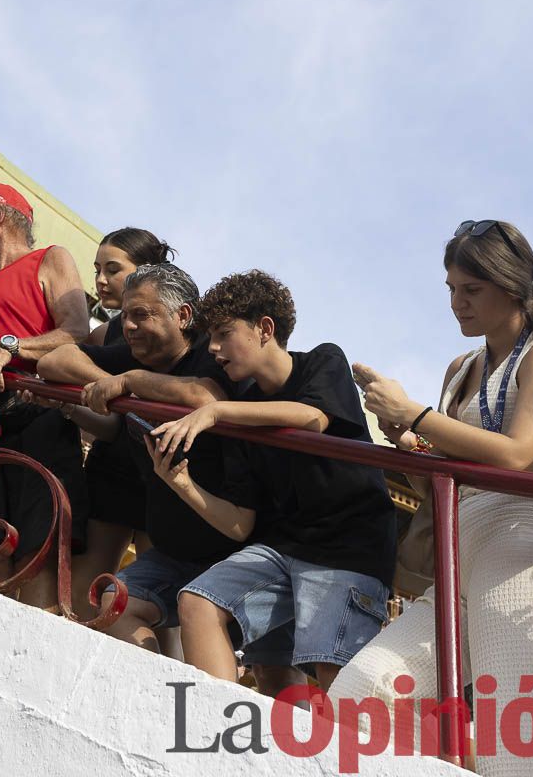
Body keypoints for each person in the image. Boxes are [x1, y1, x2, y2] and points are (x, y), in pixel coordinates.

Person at [328, 220, 533, 776]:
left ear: (513, 287)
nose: (456, 303)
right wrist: (411, 442)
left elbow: (520, 453)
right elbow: (453, 467)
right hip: (461, 552)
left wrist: (413, 415)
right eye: (451, 288)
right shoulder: (460, 369)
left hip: (526, 551)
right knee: (360, 695)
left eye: (471, 290)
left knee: (521, 744)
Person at [150, 269, 397, 694]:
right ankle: (213, 735)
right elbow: (241, 524)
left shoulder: (323, 360)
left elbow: (312, 418)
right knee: (197, 602)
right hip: (283, 549)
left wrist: (215, 412)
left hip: (348, 550)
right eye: (210, 336)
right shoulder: (243, 409)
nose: (213, 348)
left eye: (224, 333)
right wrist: (180, 482)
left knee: (333, 673)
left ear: (265, 329)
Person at [37, 263, 254, 638]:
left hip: (233, 551)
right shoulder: (135, 354)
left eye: (141, 315)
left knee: (260, 664)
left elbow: (206, 395)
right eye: (124, 315)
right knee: (114, 606)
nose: (128, 326)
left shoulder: (210, 349)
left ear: (184, 316)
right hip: (173, 551)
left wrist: (132, 382)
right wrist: (114, 383)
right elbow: (52, 360)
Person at [0, 182, 90, 611]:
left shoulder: (50, 258)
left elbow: (76, 330)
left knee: (36, 554)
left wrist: (11, 347)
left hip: (39, 416)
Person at [76, 229, 176, 608]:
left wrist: (131, 386)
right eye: (97, 269)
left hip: (164, 470)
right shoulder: (104, 333)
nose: (100, 280)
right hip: (114, 467)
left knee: (158, 604)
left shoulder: (185, 327)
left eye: (113, 270)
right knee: (83, 595)